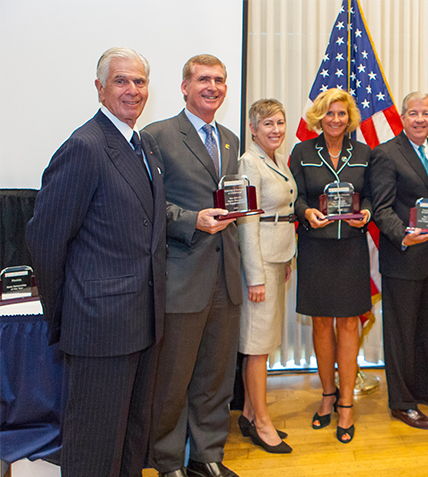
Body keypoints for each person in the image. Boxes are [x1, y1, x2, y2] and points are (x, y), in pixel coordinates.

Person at [26, 47, 166, 477]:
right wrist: (71, 314)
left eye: (139, 81)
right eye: (121, 81)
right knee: (93, 453)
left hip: (143, 324)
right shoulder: (85, 146)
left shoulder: (144, 147)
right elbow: (45, 239)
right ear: (100, 88)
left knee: (130, 446)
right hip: (99, 330)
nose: (132, 90)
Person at [143, 54, 243, 477]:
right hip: (182, 274)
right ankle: (168, 462)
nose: (213, 87)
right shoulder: (157, 135)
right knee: (172, 380)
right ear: (184, 86)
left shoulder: (230, 139)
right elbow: (147, 205)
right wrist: (191, 221)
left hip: (225, 274)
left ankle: (207, 457)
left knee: (216, 379)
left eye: (220, 80)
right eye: (204, 79)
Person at [290, 88, 372, 444]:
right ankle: (327, 395)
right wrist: (306, 213)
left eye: (341, 114)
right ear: (318, 118)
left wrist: (366, 213)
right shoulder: (302, 152)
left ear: (349, 117)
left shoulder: (365, 153)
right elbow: (293, 197)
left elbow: (371, 194)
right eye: (329, 114)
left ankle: (347, 403)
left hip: (351, 249)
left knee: (349, 325)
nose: (335, 120)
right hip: (316, 249)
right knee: (322, 324)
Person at [370, 92, 428, 430]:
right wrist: (403, 235)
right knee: (402, 332)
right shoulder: (386, 154)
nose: (420, 119)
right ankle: (403, 402)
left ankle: (425, 389)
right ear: (402, 117)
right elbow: (381, 207)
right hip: (404, 256)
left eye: (426, 113)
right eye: (413, 113)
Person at [235, 99, 295, 453]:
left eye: (280, 122)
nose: (275, 129)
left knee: (263, 344)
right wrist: (255, 276)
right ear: (253, 128)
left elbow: (283, 212)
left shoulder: (277, 159)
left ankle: (246, 413)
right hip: (259, 266)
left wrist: (287, 259)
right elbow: (247, 221)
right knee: (256, 348)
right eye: (267, 124)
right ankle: (262, 421)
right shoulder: (249, 162)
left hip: (278, 258)